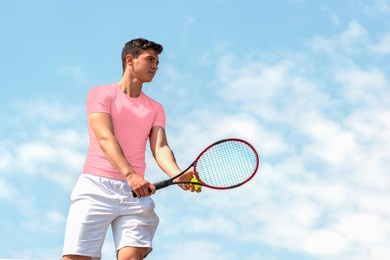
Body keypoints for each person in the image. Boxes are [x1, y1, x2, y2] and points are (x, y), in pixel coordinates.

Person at [62, 38, 200, 260]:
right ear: (130, 60)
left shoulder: (155, 108)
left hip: (136, 194)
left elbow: (161, 147)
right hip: (96, 188)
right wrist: (130, 175)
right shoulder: (101, 94)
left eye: (157, 62)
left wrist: (177, 174)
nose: (155, 66)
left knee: (131, 257)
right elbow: (105, 138)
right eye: (150, 59)